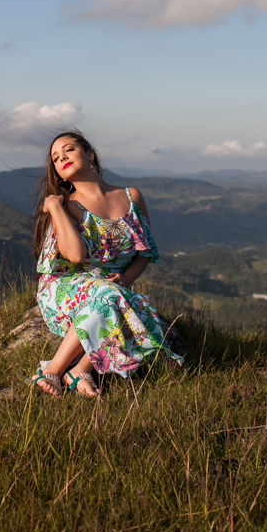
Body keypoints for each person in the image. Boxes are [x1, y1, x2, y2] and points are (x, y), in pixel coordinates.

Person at [29, 130, 184, 398]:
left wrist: (125, 279)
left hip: (111, 288)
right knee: (116, 298)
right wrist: (55, 207)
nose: (62, 157)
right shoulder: (68, 206)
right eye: (55, 158)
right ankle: (54, 369)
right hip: (64, 288)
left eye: (69, 150)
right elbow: (76, 256)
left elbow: (145, 251)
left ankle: (79, 372)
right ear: (59, 174)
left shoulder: (131, 196)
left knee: (119, 298)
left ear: (89, 154)